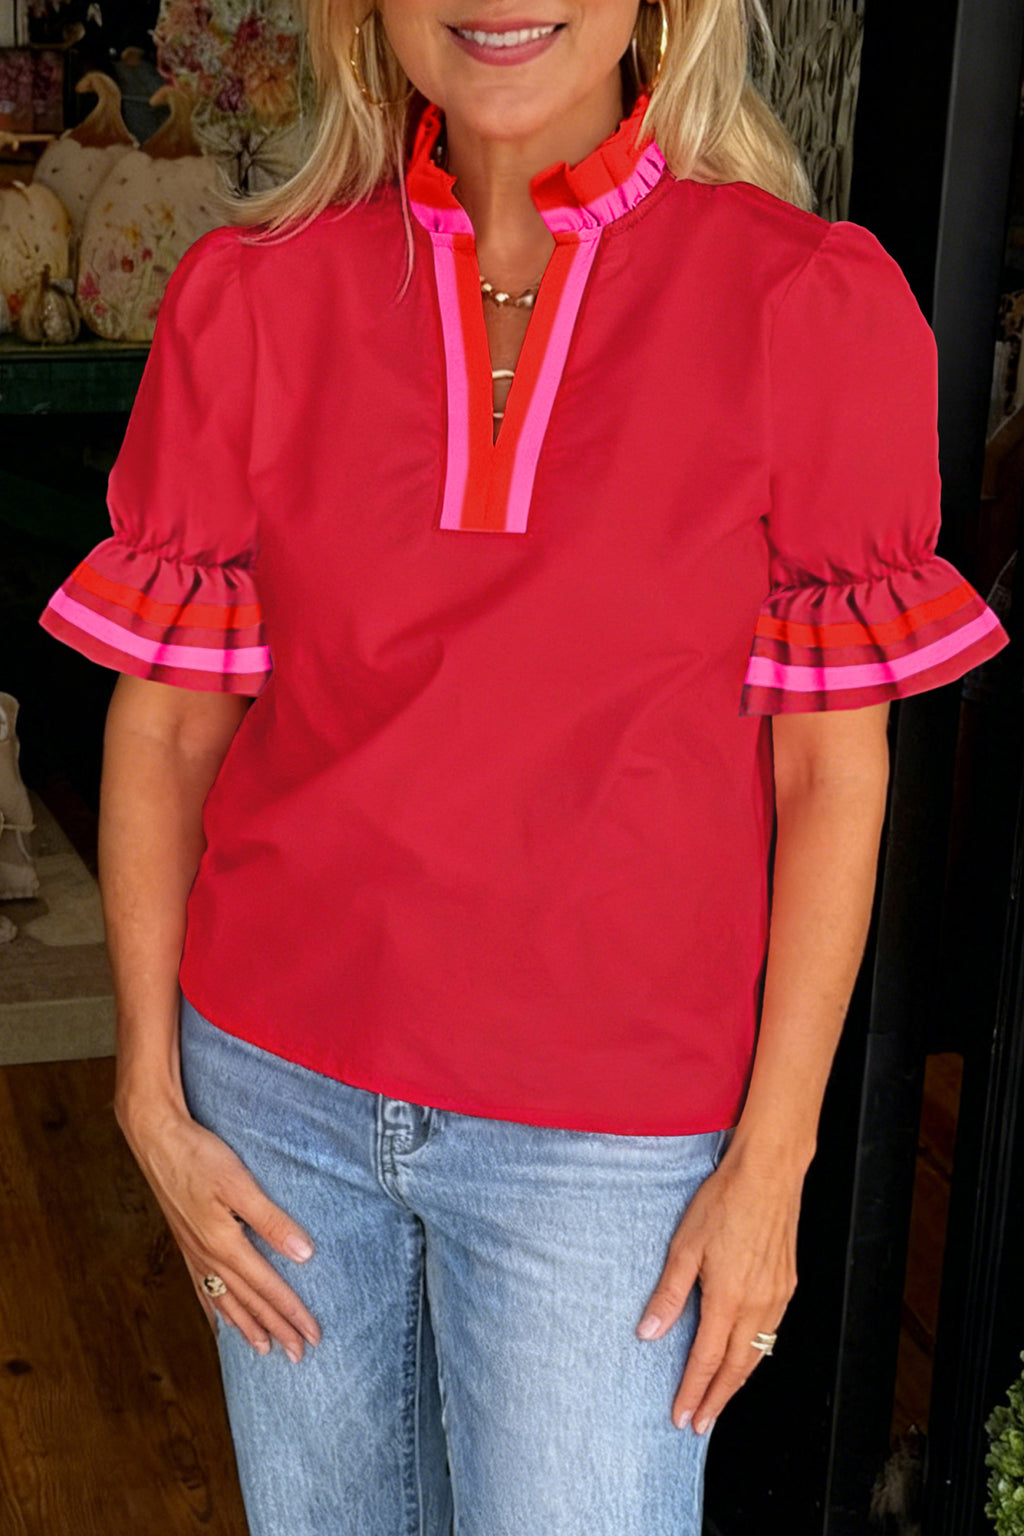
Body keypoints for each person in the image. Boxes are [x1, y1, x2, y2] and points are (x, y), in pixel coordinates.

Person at [39, 0, 1009, 1531]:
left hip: (609, 1150)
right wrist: (151, 1097)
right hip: (273, 1100)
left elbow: (835, 774)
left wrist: (774, 1163)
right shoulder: (254, 298)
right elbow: (163, 726)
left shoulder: (801, 304)